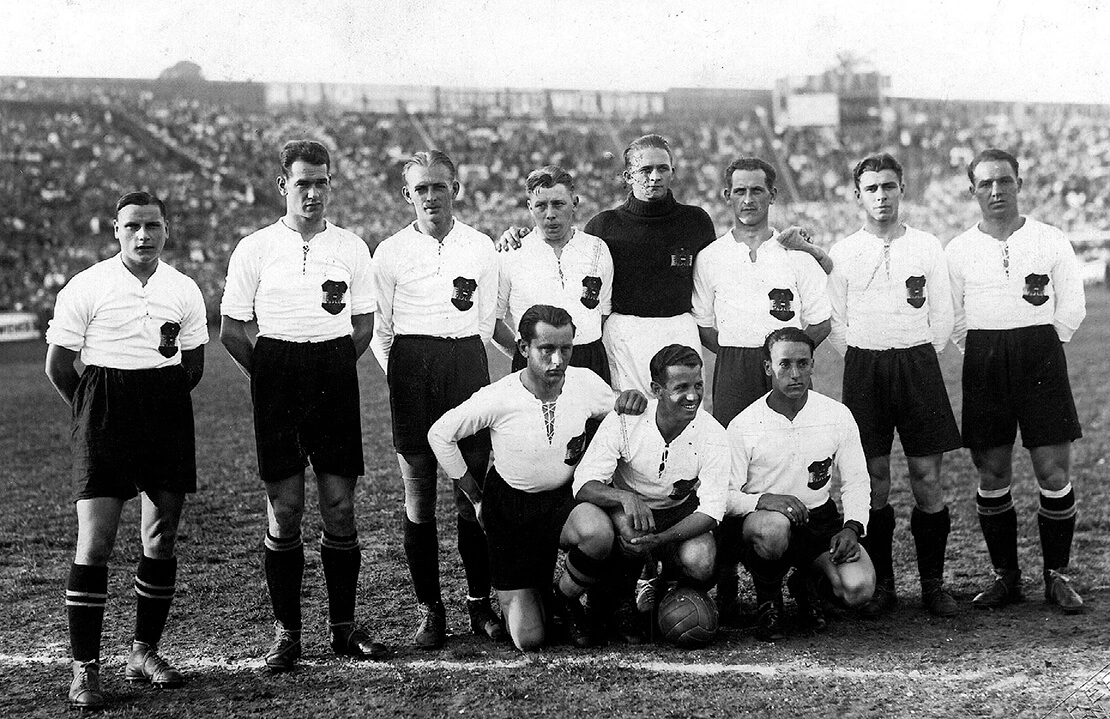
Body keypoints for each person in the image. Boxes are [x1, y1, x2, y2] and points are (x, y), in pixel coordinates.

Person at [220, 140, 388, 672]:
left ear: (330, 184)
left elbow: (363, 325)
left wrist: (332, 366)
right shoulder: (254, 247)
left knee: (339, 504)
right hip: (277, 376)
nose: (312, 193)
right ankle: (287, 633)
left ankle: (342, 628)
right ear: (282, 186)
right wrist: (270, 376)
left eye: (321, 183)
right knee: (286, 506)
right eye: (302, 183)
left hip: (333, 375)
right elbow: (231, 329)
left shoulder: (352, 247)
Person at [45, 191, 207, 710]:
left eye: (153, 225)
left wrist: (159, 402)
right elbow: (58, 365)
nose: (144, 235)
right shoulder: (87, 285)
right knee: (95, 542)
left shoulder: (182, 287)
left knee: (160, 536)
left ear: (167, 229)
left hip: (164, 407)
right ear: (116, 230)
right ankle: (85, 668)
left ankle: (143, 652)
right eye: (133, 226)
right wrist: (93, 415)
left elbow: (195, 362)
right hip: (103, 409)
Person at [428, 305, 646, 651]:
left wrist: (632, 399)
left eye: (566, 349)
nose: (557, 360)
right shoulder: (500, 395)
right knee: (530, 639)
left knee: (599, 533)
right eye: (546, 349)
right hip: (511, 509)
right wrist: (476, 496)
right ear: (524, 348)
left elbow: (621, 406)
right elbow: (440, 434)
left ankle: (565, 598)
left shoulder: (585, 383)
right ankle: (539, 595)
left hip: (562, 500)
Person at [370, 150, 504, 649]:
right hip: (411, 369)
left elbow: (486, 323)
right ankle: (431, 609)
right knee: (419, 494)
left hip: (465, 364)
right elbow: (382, 332)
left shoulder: (481, 246)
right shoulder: (388, 251)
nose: (431, 196)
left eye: (440, 186)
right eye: (421, 188)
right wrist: (405, 377)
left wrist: (457, 360)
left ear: (456, 190)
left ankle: (478, 605)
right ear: (408, 195)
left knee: (471, 492)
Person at [946, 148, 1086, 614]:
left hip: (1041, 359)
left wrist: (1047, 345)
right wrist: (983, 352)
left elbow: (1072, 304)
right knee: (993, 473)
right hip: (985, 361)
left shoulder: (1050, 239)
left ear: (1019, 184)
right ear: (972, 191)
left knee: (1052, 471)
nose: (996, 190)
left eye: (1004, 181)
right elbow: (954, 316)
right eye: (985, 184)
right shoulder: (960, 249)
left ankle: (1057, 574)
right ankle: (1006, 575)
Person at [826, 153, 962, 618]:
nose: (881, 196)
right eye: (872, 188)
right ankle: (883, 582)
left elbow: (942, 315)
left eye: (889, 186)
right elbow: (837, 323)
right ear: (858, 194)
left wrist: (915, 351)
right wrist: (866, 355)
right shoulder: (844, 252)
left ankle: (933, 583)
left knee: (927, 477)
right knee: (875, 479)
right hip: (865, 368)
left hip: (918, 364)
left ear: (902, 189)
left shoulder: (926, 245)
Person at [572, 344, 731, 644]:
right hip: (631, 509)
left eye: (698, 385)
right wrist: (624, 498)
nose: (693, 395)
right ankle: (619, 600)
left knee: (702, 559)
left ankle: (666, 589)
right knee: (632, 531)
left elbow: (711, 511)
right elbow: (583, 484)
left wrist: (662, 540)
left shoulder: (712, 434)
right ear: (656, 389)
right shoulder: (627, 419)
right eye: (680, 387)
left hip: (677, 511)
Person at [725, 328, 875, 642]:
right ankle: (770, 599)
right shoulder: (744, 424)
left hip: (819, 519)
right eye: (784, 364)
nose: (795, 374)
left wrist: (853, 526)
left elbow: (857, 481)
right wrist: (764, 500)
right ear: (768, 367)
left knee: (858, 589)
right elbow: (724, 496)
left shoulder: (836, 415)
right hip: (765, 525)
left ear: (812, 365)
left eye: (803, 364)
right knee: (774, 528)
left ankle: (806, 582)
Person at [693, 157, 832, 429]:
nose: (748, 199)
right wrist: (737, 352)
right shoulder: (711, 257)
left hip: (786, 368)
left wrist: (786, 355)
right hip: (734, 369)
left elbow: (821, 322)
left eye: (757, 190)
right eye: (740, 191)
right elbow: (703, 324)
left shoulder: (797, 255)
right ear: (727, 196)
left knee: (793, 448)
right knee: (735, 451)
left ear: (772, 195)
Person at [493, 165, 613, 384]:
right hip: (534, 364)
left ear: (574, 203)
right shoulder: (511, 253)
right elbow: (494, 320)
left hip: (589, 363)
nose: (550, 214)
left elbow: (603, 313)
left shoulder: (597, 249)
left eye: (558, 204)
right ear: (530, 207)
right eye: (541, 206)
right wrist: (527, 353)